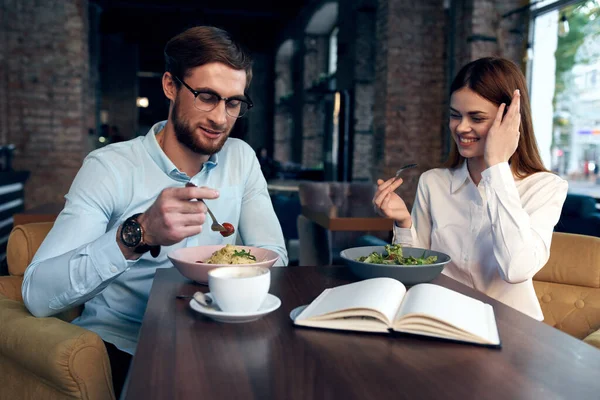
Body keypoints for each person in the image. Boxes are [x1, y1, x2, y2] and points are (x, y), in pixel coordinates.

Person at [21, 26, 288, 397]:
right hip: (127, 344)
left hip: (219, 336)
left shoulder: (241, 159)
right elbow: (36, 293)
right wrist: (139, 233)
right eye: (207, 97)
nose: (221, 119)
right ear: (170, 86)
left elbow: (276, 258)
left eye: (233, 103)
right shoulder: (109, 167)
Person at [373, 57, 567, 320]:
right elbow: (415, 270)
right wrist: (404, 223)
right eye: (455, 116)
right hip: (442, 319)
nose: (461, 127)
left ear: (509, 120)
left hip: (511, 331)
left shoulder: (546, 187)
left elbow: (516, 268)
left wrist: (496, 166)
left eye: (476, 118)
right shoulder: (433, 182)